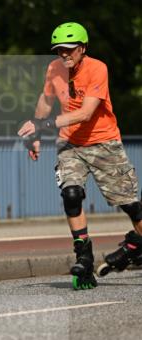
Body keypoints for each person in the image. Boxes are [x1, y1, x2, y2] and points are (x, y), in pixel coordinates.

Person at [18, 22, 142, 289]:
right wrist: (35, 133)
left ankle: (137, 244)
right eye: (59, 50)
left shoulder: (97, 68)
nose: (64, 54)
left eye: (69, 49)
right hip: (70, 143)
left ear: (82, 48)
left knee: (131, 205)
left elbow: (86, 114)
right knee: (71, 194)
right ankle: (83, 256)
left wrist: (44, 124)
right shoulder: (54, 69)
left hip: (104, 143)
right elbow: (46, 100)